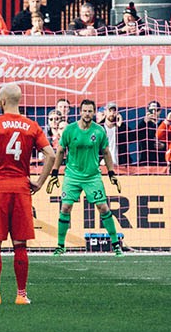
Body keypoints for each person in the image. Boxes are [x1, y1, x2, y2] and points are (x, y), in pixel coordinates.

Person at [0, 84, 55, 305]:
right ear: (19, 101)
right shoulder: (31, 125)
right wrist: (39, 181)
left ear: (1, 101)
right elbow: (51, 154)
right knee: (20, 244)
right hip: (21, 189)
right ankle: (21, 295)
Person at [46, 99, 122, 256]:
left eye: (90, 111)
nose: (87, 114)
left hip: (92, 176)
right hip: (72, 176)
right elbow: (60, 151)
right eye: (85, 111)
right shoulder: (70, 130)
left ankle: (115, 244)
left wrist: (111, 173)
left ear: (94, 112)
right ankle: (60, 245)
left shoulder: (99, 131)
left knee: (103, 207)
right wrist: (54, 172)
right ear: (80, 112)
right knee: (65, 207)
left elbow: (106, 152)